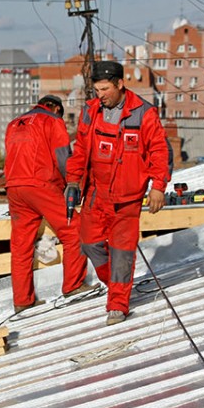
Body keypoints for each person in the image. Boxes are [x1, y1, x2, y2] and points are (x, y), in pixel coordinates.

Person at [65, 61, 171, 325]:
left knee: (122, 252)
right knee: (89, 243)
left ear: (120, 84)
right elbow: (79, 150)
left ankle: (118, 305)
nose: (100, 95)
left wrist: (158, 186)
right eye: (97, 90)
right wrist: (73, 181)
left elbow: (160, 151)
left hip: (126, 198)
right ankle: (114, 284)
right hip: (95, 193)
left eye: (104, 89)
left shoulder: (143, 113)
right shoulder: (90, 112)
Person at [4, 94, 95, 314]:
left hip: (14, 188)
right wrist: (72, 184)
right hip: (40, 184)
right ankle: (73, 285)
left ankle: (23, 300)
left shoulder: (14, 124)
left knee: (21, 246)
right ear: (55, 108)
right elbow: (63, 157)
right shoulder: (52, 121)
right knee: (74, 229)